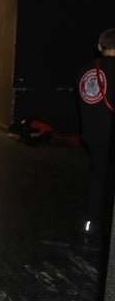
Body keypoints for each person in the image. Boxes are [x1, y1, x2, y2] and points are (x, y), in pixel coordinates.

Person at [77, 27, 115, 237]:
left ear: (100, 46)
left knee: (97, 177)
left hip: (93, 134)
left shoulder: (85, 69)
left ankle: (90, 223)